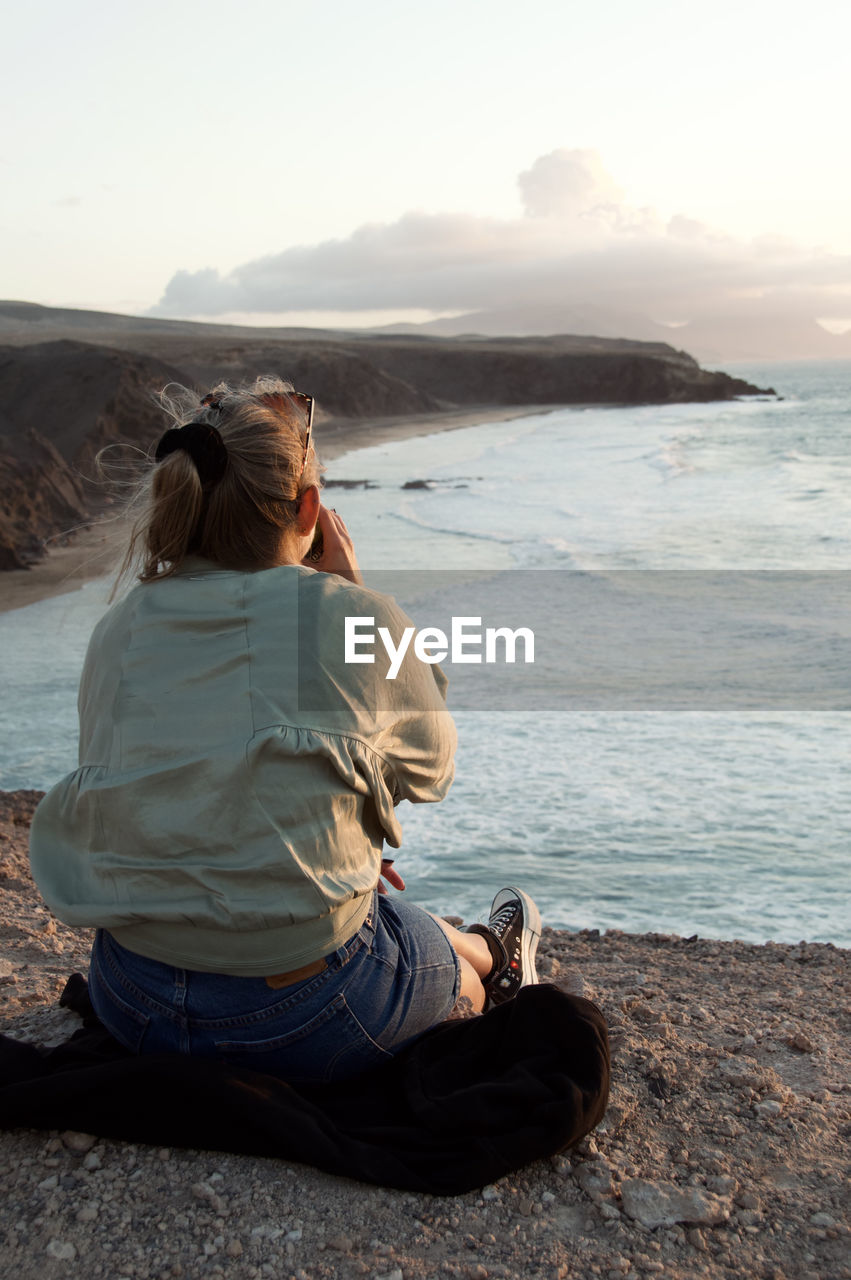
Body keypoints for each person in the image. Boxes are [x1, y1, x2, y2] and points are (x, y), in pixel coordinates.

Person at [29, 377, 541, 1084]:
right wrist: (356, 596)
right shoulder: (345, 616)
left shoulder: (119, 627)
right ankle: (494, 961)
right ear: (310, 508)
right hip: (300, 1014)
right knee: (437, 964)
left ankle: (491, 943)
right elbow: (431, 769)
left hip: (132, 997)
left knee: (387, 914)